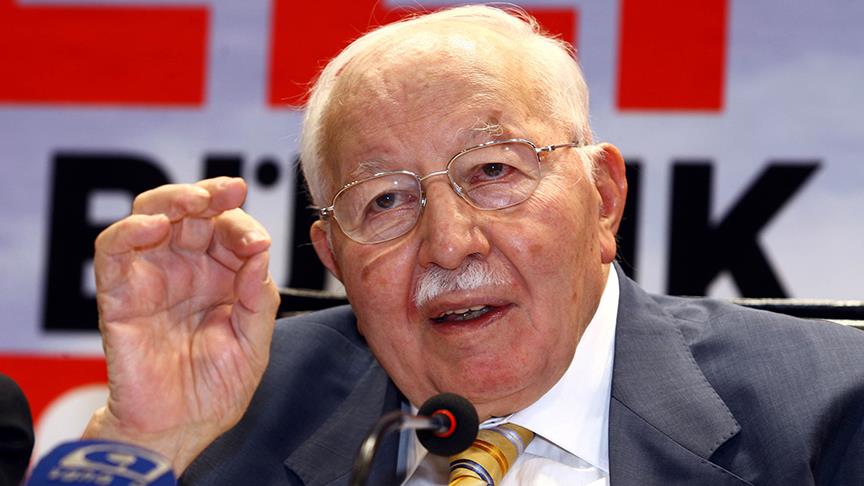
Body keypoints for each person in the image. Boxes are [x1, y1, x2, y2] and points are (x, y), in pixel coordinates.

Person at [82, 5, 864, 485]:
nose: (449, 246)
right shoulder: (241, 411)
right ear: (333, 258)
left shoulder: (826, 410)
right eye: (385, 200)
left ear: (603, 200)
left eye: (493, 171)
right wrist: (145, 439)